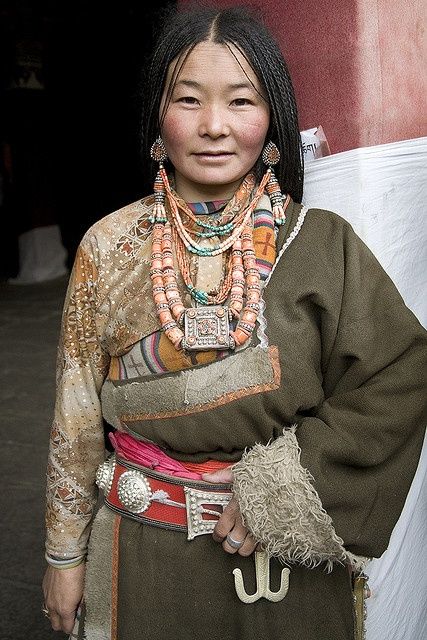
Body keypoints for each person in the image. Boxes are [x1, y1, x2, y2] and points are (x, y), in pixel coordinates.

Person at [42, 5, 427, 639]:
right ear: (158, 121)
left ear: (272, 119)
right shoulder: (109, 248)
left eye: (241, 102)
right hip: (140, 560)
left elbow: (400, 374)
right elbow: (75, 419)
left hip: (281, 573)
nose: (215, 126)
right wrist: (63, 560)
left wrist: (285, 487)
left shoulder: (323, 244)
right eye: (189, 101)